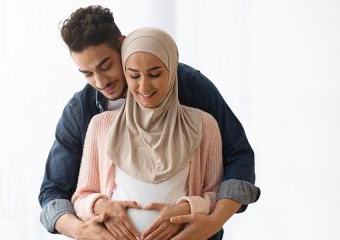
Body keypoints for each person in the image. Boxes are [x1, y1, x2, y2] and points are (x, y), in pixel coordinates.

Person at [38, 5, 260, 240]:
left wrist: (211, 222)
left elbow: (238, 158)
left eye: (105, 66)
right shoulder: (84, 113)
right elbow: (54, 192)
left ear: (123, 46)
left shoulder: (189, 86)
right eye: (87, 73)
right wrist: (83, 230)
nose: (100, 81)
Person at [72, 27, 223, 240]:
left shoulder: (204, 125)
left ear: (172, 70)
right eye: (133, 75)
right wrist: (104, 206)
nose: (143, 86)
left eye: (154, 74)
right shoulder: (100, 125)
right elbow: (81, 198)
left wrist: (186, 208)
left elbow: (215, 195)